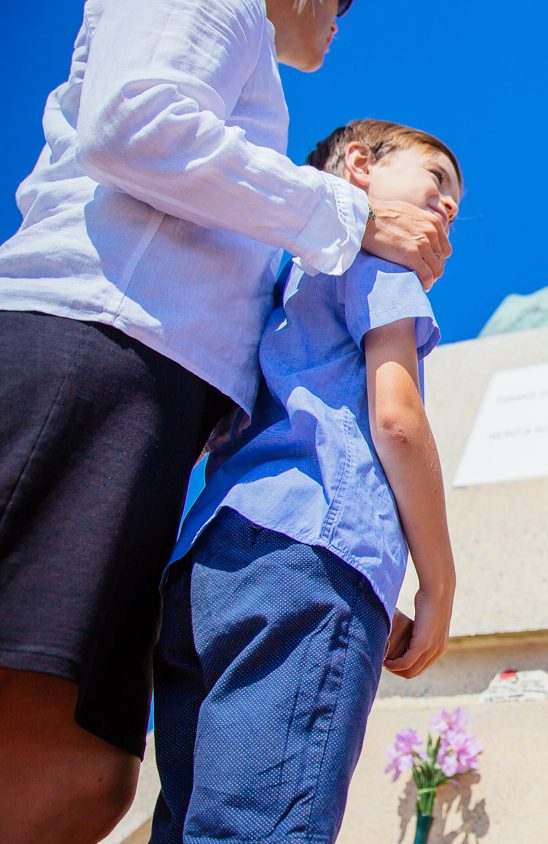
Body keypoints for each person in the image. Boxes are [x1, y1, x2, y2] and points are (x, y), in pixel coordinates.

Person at [0, 1, 450, 839]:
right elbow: (134, 122)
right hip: (90, 355)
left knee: (82, 776)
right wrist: (351, 218)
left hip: (161, 446)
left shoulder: (281, 203)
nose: (344, 16)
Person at [151, 119, 460, 842]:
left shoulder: (268, 276)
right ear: (359, 166)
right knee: (263, 826)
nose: (447, 206)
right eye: (436, 180)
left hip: (206, 568)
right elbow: (398, 419)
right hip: (314, 558)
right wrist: (438, 583)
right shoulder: (382, 261)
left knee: (191, 822)